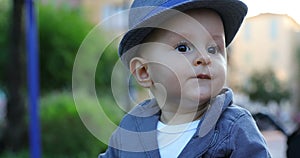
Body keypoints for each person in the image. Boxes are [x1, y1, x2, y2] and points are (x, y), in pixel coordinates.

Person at [100, 0, 271, 157]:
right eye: (183, 48)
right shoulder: (130, 130)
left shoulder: (234, 128)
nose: (205, 58)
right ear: (144, 71)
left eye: (213, 49)